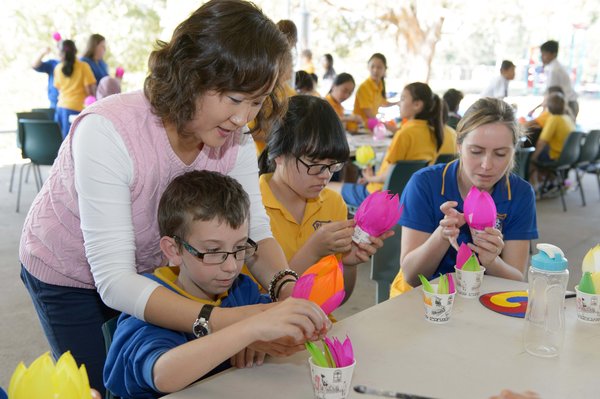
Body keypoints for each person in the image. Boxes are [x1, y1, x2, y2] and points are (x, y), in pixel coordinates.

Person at [19, 1, 305, 395]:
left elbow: (254, 228)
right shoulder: (109, 131)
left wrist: (287, 291)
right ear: (191, 75)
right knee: (102, 385)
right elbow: (116, 281)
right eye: (234, 99)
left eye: (256, 101)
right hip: (71, 274)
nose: (244, 119)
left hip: (157, 262)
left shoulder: (232, 134)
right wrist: (237, 324)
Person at [104, 170, 329, 397]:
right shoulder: (152, 308)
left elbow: (274, 330)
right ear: (174, 250)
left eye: (240, 247)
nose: (231, 266)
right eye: (213, 251)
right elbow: (163, 375)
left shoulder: (241, 291)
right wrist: (249, 331)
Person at [389, 98, 538, 296]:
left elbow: (516, 281)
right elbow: (412, 275)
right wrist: (442, 235)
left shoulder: (520, 193)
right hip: (423, 298)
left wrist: (492, 260)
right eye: (476, 152)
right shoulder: (425, 183)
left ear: (513, 152)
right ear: (459, 145)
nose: (487, 165)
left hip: (482, 299)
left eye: (500, 154)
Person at [257, 95, 392, 300]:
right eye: (314, 164)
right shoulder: (251, 206)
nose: (325, 175)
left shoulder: (332, 203)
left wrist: (347, 262)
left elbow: (338, 299)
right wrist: (312, 251)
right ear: (279, 154)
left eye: (333, 166)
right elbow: (256, 304)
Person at [341, 82, 445, 207]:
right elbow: (398, 175)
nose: (399, 103)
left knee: (329, 188)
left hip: (379, 196)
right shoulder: (432, 132)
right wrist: (372, 178)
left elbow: (388, 177)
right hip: (406, 198)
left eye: (403, 98)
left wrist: (370, 178)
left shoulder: (404, 133)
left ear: (417, 105)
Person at [529, 92, 575, 194]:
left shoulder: (554, 119)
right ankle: (551, 182)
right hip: (567, 156)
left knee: (530, 157)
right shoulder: (568, 118)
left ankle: (534, 189)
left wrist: (533, 157)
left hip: (556, 156)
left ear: (548, 105)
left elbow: (542, 142)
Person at [52, 39, 96, 138]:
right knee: (73, 142)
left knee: (62, 142)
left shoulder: (57, 68)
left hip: (60, 108)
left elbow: (58, 87)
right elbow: (89, 90)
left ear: (61, 53)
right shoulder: (83, 66)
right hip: (76, 109)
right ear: (75, 51)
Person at [353, 53, 398, 128]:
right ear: (368, 67)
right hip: (360, 127)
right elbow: (369, 113)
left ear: (385, 69)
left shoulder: (380, 85)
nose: (375, 70)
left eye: (379, 67)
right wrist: (386, 126)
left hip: (371, 125)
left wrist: (397, 103)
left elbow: (383, 103)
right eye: (372, 67)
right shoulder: (364, 87)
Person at [540, 40, 578, 119]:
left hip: (567, 106)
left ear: (553, 54)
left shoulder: (554, 69)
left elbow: (552, 93)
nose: (542, 57)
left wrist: (543, 111)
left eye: (544, 54)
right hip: (567, 104)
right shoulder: (554, 66)